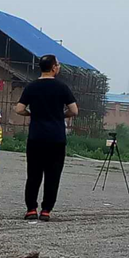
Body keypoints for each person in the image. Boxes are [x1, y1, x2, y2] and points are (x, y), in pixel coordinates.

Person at [16, 54, 78, 222]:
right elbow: (74, 110)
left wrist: (32, 113)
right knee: (53, 176)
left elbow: (19, 109)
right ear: (53, 68)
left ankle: (31, 209)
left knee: (33, 175)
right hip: (56, 139)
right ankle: (46, 210)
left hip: (36, 137)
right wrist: (60, 115)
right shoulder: (62, 87)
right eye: (58, 64)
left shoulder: (31, 87)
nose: (59, 67)